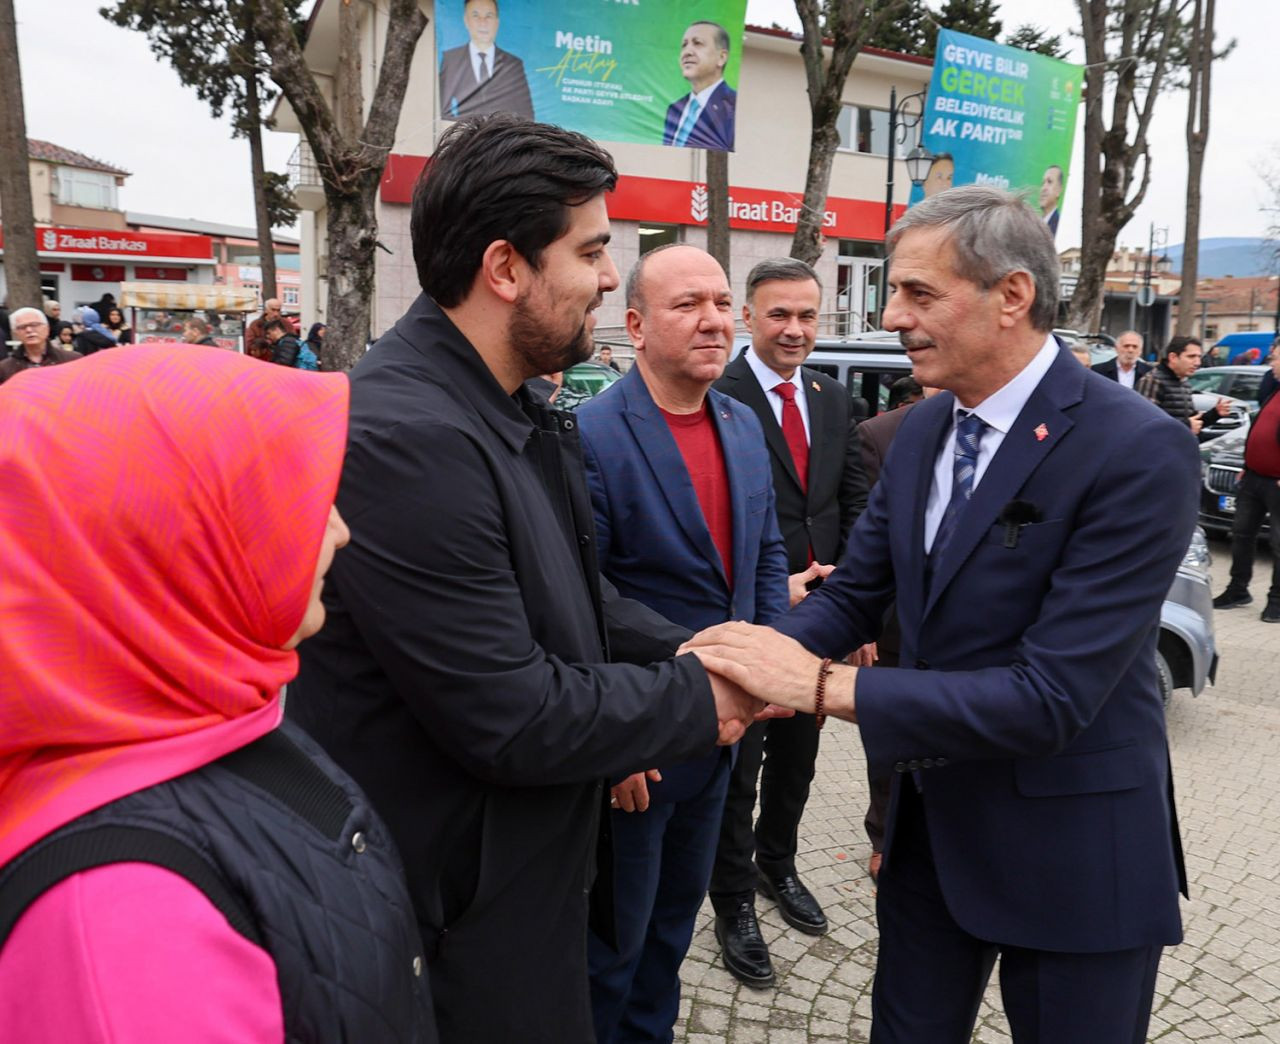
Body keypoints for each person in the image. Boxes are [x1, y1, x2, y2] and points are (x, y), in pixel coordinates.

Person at [286, 113, 763, 1044]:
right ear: (506, 268)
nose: (611, 277)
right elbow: (512, 714)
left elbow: (573, 601)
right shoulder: (410, 437)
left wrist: (703, 646)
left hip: (509, 888)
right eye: (590, 251)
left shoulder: (500, 405)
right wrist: (708, 694)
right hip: (453, 924)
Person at [685, 185, 1202, 1043]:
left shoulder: (1139, 448)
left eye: (918, 293)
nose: (892, 316)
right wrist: (732, 673)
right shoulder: (921, 431)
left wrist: (820, 686)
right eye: (894, 292)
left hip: (1076, 850)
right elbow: (855, 593)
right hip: (932, 836)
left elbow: (1051, 697)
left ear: (1012, 295)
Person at [0, 346, 436, 1043]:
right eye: (286, 501)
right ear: (167, 541)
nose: (339, 530)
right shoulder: (120, 919)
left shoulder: (208, 710)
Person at [577, 246, 789, 1039]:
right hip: (641, 740)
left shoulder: (741, 423)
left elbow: (766, 554)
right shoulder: (590, 434)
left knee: (670, 934)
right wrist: (616, 741)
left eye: (723, 302)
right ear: (635, 326)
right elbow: (583, 600)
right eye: (688, 304)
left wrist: (766, 662)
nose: (713, 320)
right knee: (613, 949)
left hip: (723, 738)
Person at [707, 257, 870, 986]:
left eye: (807, 315)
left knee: (798, 762)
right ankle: (733, 898)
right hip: (749, 616)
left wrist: (853, 605)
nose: (795, 329)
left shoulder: (833, 400)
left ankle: (779, 864)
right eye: (779, 314)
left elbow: (853, 507)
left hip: (823, 625)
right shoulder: (718, 394)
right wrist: (777, 589)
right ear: (748, 317)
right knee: (739, 768)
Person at [1212, 346, 1280, 621]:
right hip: (1253, 477)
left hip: (1276, 484)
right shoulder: (1274, 390)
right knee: (1240, 534)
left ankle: (1277, 600)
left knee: (1278, 543)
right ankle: (1238, 589)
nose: (1271, 363)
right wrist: (1247, 465)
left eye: (1275, 359)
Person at [438, 0, 534, 120]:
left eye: (489, 16)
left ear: (497, 22)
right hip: (466, 131)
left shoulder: (513, 64)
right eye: (475, 15)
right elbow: (441, 111)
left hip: (502, 131)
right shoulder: (451, 60)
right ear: (466, 21)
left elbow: (527, 115)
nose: (482, 22)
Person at [662, 21, 737, 151]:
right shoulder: (674, 109)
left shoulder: (733, 106)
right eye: (684, 45)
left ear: (721, 57)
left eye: (697, 43)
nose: (687, 52)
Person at [1137, 335, 1230, 436]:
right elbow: (1146, 422)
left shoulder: (1184, 382)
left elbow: (1193, 421)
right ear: (1173, 357)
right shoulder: (1153, 380)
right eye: (1191, 357)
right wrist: (1186, 426)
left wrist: (1215, 413)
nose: (1197, 363)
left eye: (1199, 357)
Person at [0, 307, 81, 385]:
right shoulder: (5, 368)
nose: (29, 330)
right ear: (15, 333)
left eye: (34, 325)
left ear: (47, 328)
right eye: (22, 327)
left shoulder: (72, 360)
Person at [1039, 164, 1063, 235]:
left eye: (1049, 182)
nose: (1043, 188)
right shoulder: (1035, 224)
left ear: (1059, 190)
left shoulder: (1060, 228)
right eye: (1042, 183)